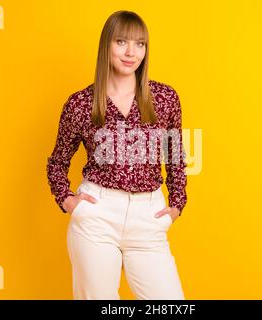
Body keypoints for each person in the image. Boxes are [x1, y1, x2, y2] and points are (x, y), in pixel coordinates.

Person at [46, 10, 187, 300]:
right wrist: (69, 200)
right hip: (97, 215)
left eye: (140, 44)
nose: (131, 52)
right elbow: (58, 161)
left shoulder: (165, 98)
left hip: (148, 215)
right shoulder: (81, 103)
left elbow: (175, 156)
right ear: (106, 45)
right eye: (121, 42)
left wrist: (176, 204)